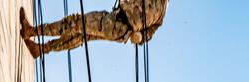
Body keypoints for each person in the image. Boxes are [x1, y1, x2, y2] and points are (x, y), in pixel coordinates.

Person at [20, 1, 169, 58]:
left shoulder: (161, 13)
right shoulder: (161, 12)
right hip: (116, 21)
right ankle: (41, 49)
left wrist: (141, 38)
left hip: (117, 26)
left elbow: (149, 34)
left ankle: (32, 32)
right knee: (79, 36)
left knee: (75, 23)